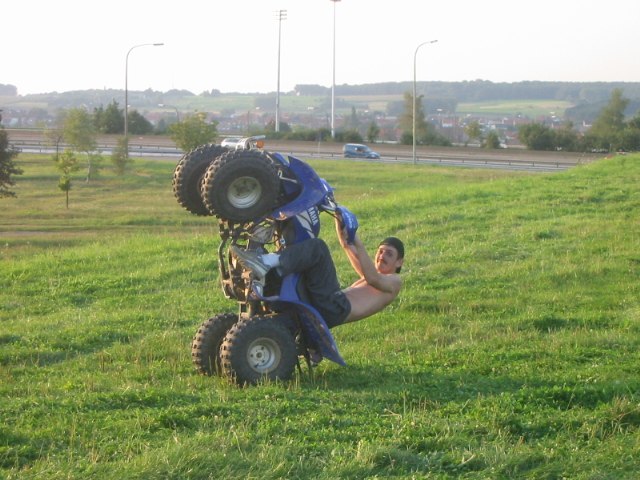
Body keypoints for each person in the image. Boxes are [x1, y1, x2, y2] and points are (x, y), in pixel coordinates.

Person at [231, 217, 404, 329]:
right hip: (330, 306)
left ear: (399, 262)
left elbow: (372, 278)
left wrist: (358, 241)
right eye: (380, 251)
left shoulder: (394, 281)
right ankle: (265, 281)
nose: (382, 256)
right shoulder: (371, 277)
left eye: (389, 254)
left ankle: (265, 262)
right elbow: (346, 245)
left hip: (336, 308)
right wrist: (338, 216)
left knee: (318, 249)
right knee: (300, 270)